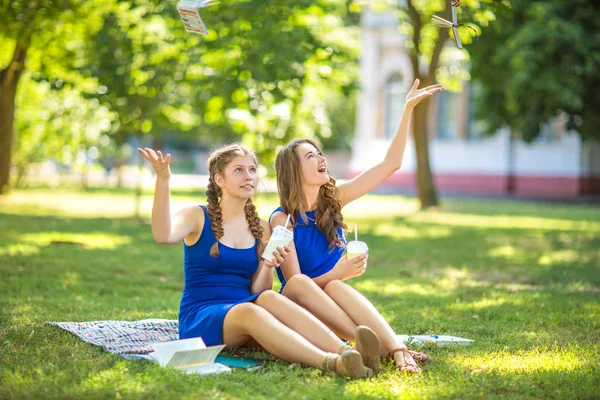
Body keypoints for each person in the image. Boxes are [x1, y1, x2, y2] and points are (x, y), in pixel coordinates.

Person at [138, 143, 380, 378]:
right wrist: (163, 180)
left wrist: (267, 264)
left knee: (269, 297)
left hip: (244, 307)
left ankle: (349, 352)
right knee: (249, 311)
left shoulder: (262, 229)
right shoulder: (197, 216)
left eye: (252, 170)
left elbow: (258, 290)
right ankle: (333, 363)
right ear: (218, 180)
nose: (248, 176)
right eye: (239, 170)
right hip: (202, 316)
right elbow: (163, 235)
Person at [270, 79, 445, 373]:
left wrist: (407, 109)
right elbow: (296, 287)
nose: (321, 158)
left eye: (319, 152)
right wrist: (338, 272)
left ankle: (394, 349)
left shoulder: (334, 199)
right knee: (323, 281)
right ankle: (387, 348)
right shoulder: (282, 219)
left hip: (333, 308)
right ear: (293, 172)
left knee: (337, 285)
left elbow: (390, 164)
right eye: (310, 156)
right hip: (299, 310)